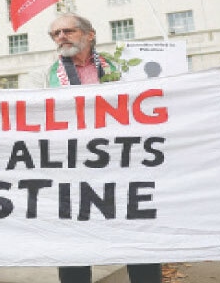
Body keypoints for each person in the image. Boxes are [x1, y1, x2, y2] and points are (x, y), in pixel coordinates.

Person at [43, 14, 162, 283]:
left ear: (90, 34)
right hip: (72, 171)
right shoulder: (42, 74)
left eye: (68, 31)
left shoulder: (123, 67)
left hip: (124, 166)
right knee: (75, 246)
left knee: (138, 239)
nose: (61, 37)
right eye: (55, 34)